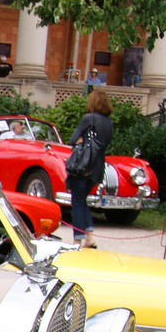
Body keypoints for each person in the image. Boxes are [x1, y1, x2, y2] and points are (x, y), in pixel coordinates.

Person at [66, 87, 114, 249]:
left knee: (77, 202)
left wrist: (79, 140)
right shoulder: (109, 123)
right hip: (98, 165)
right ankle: (90, 237)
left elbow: (73, 139)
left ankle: (78, 240)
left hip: (83, 164)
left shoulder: (89, 118)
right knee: (82, 200)